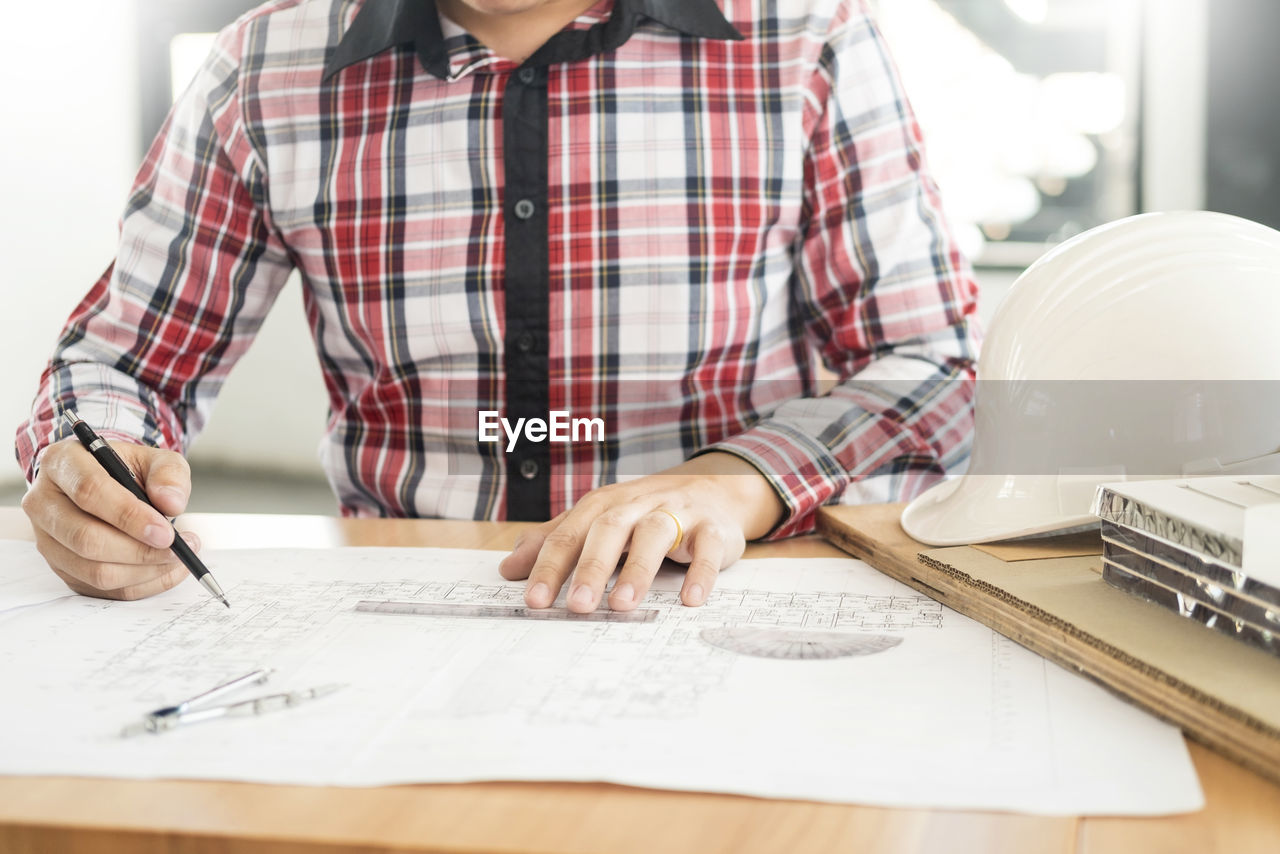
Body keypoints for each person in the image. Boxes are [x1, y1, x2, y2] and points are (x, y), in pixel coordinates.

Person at [15, 0, 978, 612]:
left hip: (719, 603)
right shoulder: (262, 68)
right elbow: (121, 367)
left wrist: (732, 484)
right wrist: (92, 460)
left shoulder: (807, 39)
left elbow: (938, 371)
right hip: (398, 621)